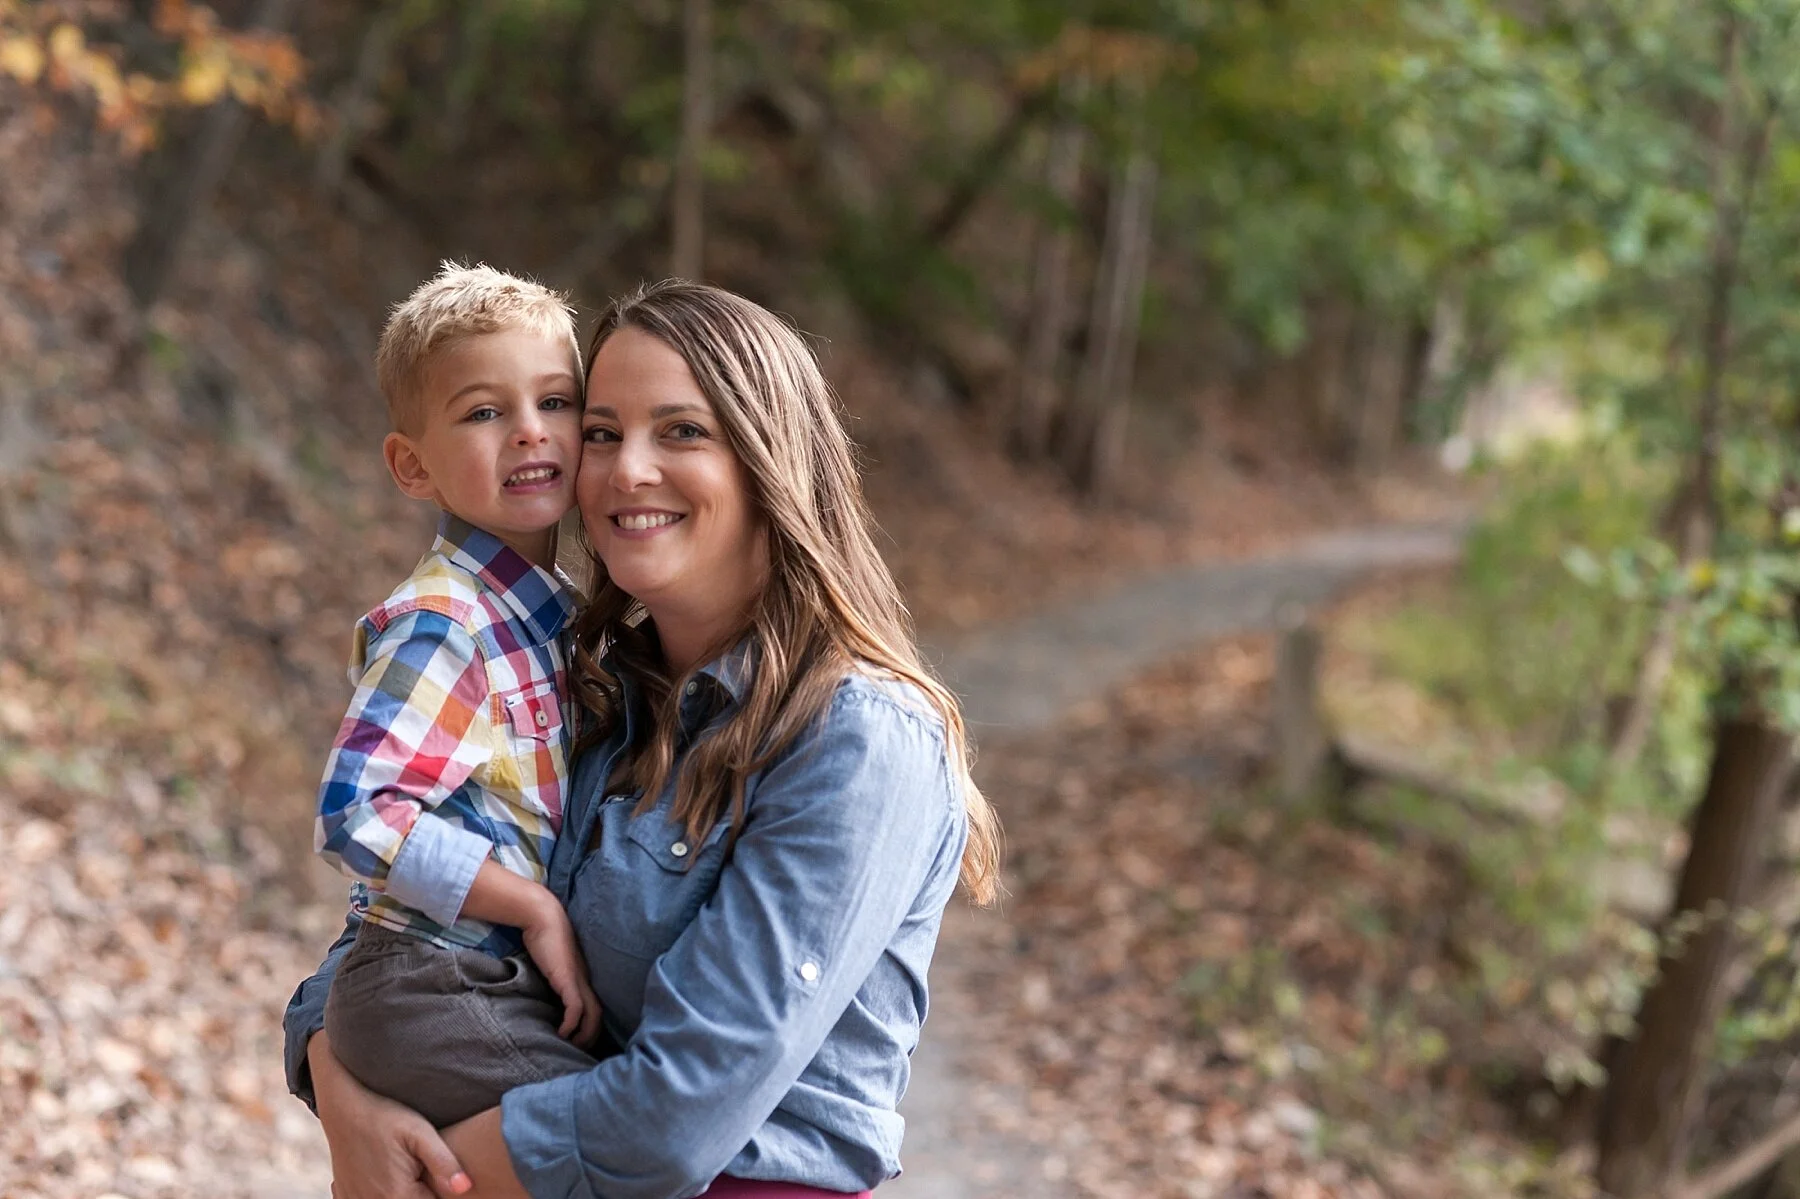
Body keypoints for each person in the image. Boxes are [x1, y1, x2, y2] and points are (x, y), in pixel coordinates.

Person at [284, 279, 1002, 1199]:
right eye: (603, 431)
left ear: (769, 459)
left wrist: (425, 1176)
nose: (627, 470)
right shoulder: (598, 693)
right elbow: (405, 910)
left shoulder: (856, 739)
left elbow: (678, 1113)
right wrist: (340, 1082)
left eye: (682, 431)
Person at [311, 263, 603, 1131]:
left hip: (481, 981)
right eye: (483, 411)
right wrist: (533, 905)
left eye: (555, 402)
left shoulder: (558, 620)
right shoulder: (447, 623)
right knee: (613, 1136)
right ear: (411, 464)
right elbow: (357, 810)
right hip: (434, 979)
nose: (528, 432)